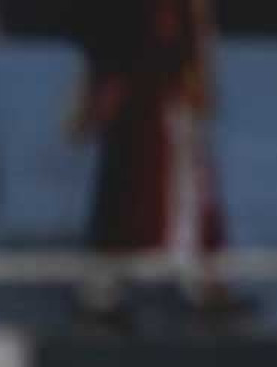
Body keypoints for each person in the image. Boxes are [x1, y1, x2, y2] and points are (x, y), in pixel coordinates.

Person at [68, 0, 247, 325]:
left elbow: (190, 24)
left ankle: (197, 284)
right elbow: (105, 33)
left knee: (162, 181)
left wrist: (199, 72)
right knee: (130, 182)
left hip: (157, 87)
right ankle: (106, 291)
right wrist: (92, 92)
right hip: (145, 88)